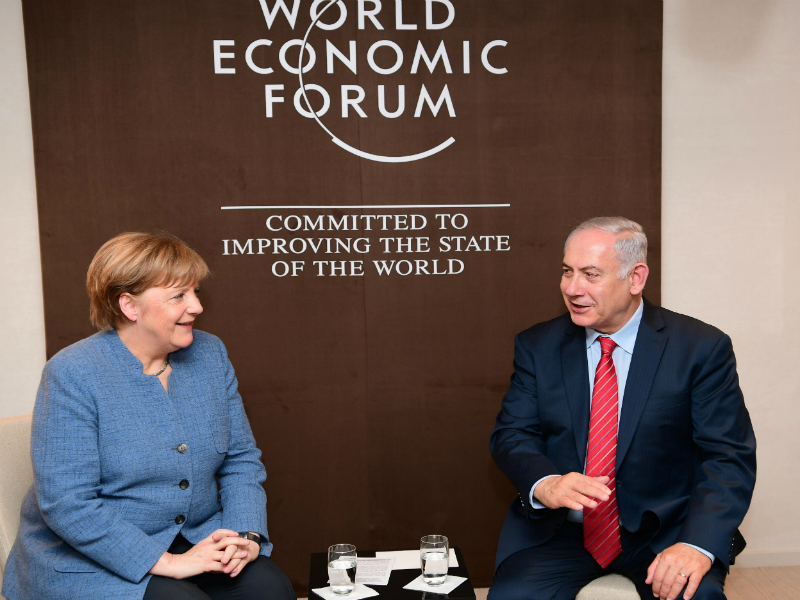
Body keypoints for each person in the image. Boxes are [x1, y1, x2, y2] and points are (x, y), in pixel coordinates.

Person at [2, 232, 296, 600]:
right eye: (179, 296)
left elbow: (240, 461)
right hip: (93, 558)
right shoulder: (72, 373)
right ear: (129, 306)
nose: (196, 307)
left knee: (268, 588)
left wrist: (245, 536)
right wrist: (171, 564)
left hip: (196, 538)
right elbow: (68, 504)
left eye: (195, 292)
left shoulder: (210, 354)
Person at [489, 217, 756, 600]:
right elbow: (511, 434)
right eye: (567, 271)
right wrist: (545, 483)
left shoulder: (700, 349)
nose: (572, 288)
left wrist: (695, 546)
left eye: (590, 274)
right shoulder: (538, 345)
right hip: (562, 531)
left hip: (665, 532)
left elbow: (728, 455)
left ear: (636, 278)